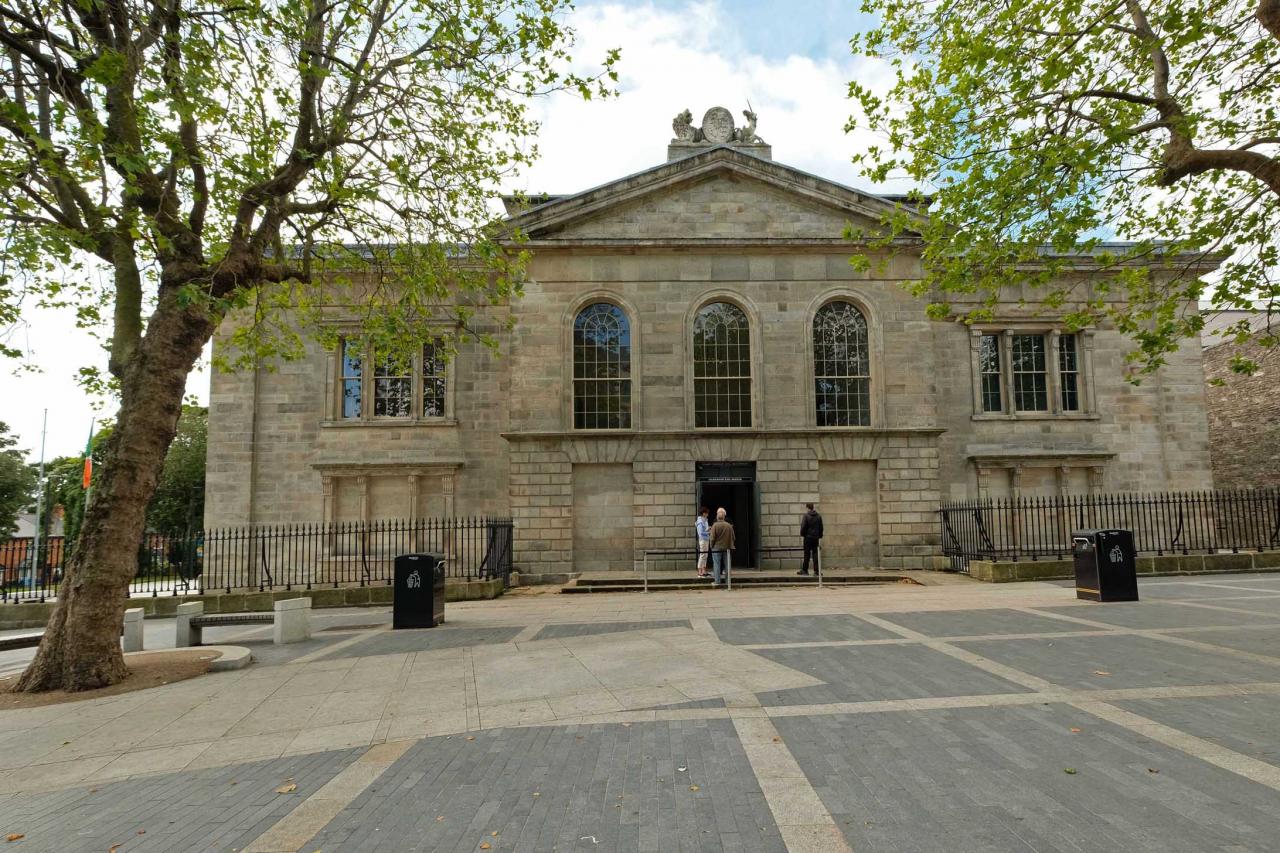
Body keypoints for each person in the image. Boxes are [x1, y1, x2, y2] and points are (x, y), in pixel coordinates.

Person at [708, 507, 735, 587]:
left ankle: (717, 581)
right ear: (724, 517)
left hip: (716, 547)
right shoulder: (729, 526)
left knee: (716, 564)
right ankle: (728, 581)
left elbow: (712, 538)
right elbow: (733, 537)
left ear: (717, 517)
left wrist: (711, 546)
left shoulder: (714, 526)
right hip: (727, 547)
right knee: (727, 564)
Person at [798, 502, 823, 576]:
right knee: (816, 555)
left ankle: (805, 570)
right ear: (813, 507)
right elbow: (821, 528)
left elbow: (803, 527)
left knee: (807, 554)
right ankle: (816, 572)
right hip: (815, 538)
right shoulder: (818, 516)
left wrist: (802, 534)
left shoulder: (806, 516)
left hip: (808, 538)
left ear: (807, 507)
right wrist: (820, 536)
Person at [695, 506, 711, 578]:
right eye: (706, 513)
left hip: (706, 539)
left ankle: (703, 570)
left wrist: (708, 530)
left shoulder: (705, 520)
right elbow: (701, 533)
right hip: (703, 540)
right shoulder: (700, 522)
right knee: (702, 555)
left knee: (705, 555)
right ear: (704, 513)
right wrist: (708, 532)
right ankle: (699, 571)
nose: (707, 514)